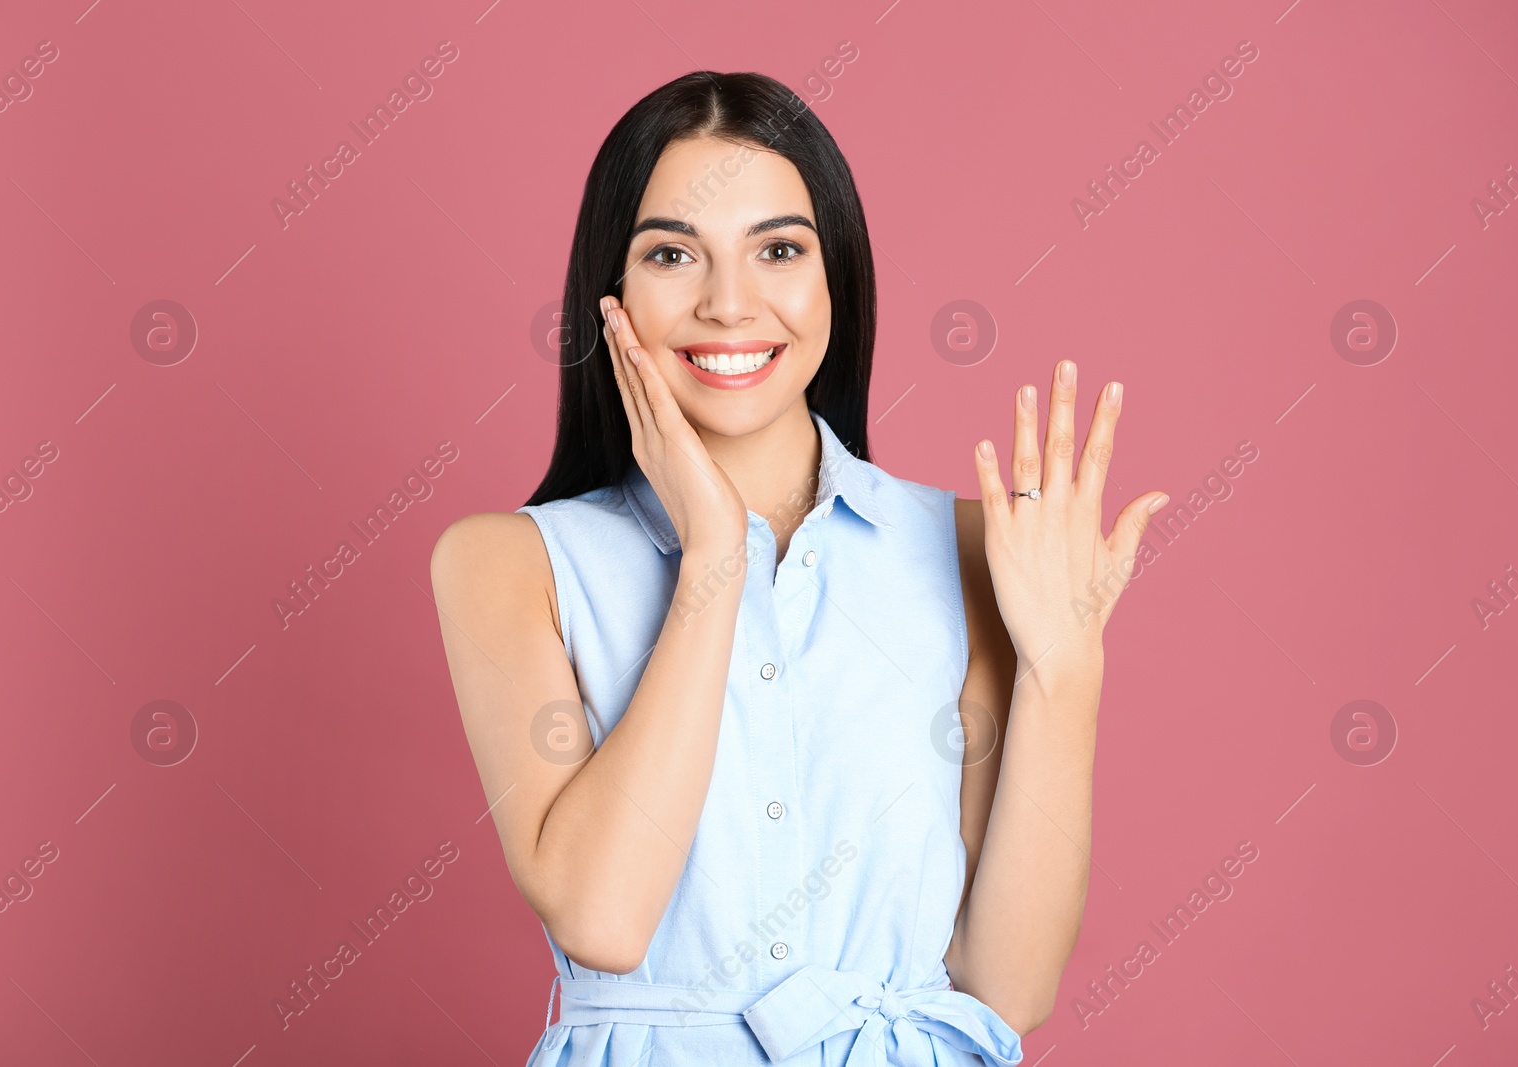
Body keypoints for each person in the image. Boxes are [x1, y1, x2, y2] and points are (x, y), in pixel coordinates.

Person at [430, 70, 1169, 1066]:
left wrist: (1064, 669)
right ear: (610, 292)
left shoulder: (968, 548)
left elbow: (1006, 983)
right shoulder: (507, 562)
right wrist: (713, 559)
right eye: (671, 253)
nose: (729, 303)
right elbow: (603, 917)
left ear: (838, 281)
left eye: (778, 249)